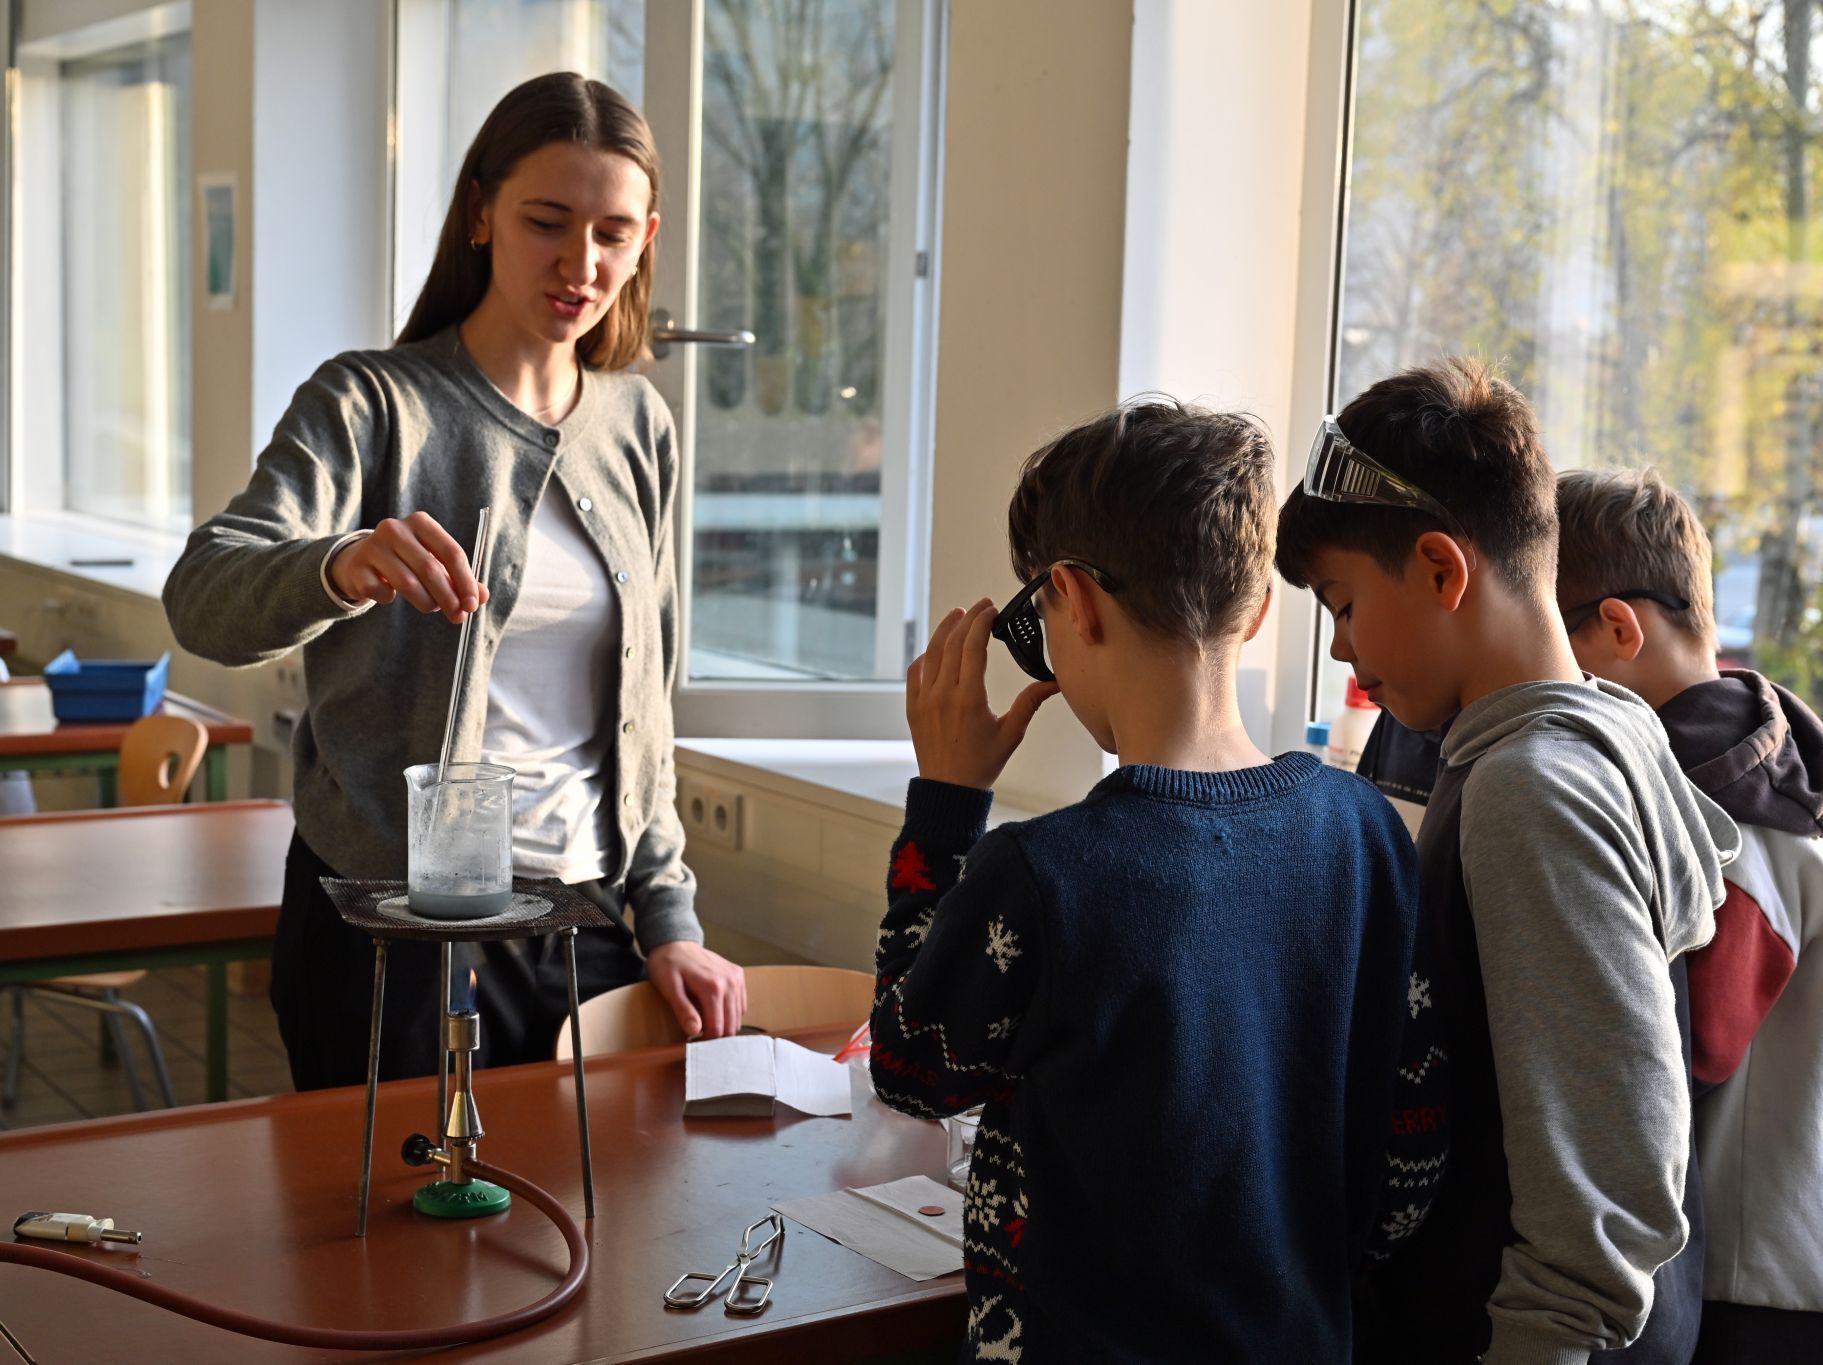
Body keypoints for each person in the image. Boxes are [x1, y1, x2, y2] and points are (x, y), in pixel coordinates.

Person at [163, 72, 746, 1090]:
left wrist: (669, 918)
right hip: (393, 927)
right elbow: (204, 595)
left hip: (583, 921)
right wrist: (339, 564)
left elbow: (643, 718)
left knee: (602, 1232)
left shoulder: (638, 425)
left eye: (612, 233)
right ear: (481, 213)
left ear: (646, 236)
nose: (581, 264)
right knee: (394, 1236)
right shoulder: (372, 404)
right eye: (547, 223)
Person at [866, 400, 1447, 1361]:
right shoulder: (1366, 833)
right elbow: (1410, 1158)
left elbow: (911, 1067)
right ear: (1259, 608)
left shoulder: (1041, 873)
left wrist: (945, 806)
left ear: (1075, 601)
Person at [1275, 358, 1738, 1365]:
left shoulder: (1531, 789)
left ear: (1442, 570)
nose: (1345, 653)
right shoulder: (1605, 729)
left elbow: (1610, 1173)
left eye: (1344, 605)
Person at [1554, 468, 1823, 1364]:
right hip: (1747, 1262)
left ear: (1619, 630)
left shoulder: (1734, 817)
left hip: (1770, 1280)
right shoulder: (1725, 768)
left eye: (1552, 648)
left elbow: (1687, 1053)